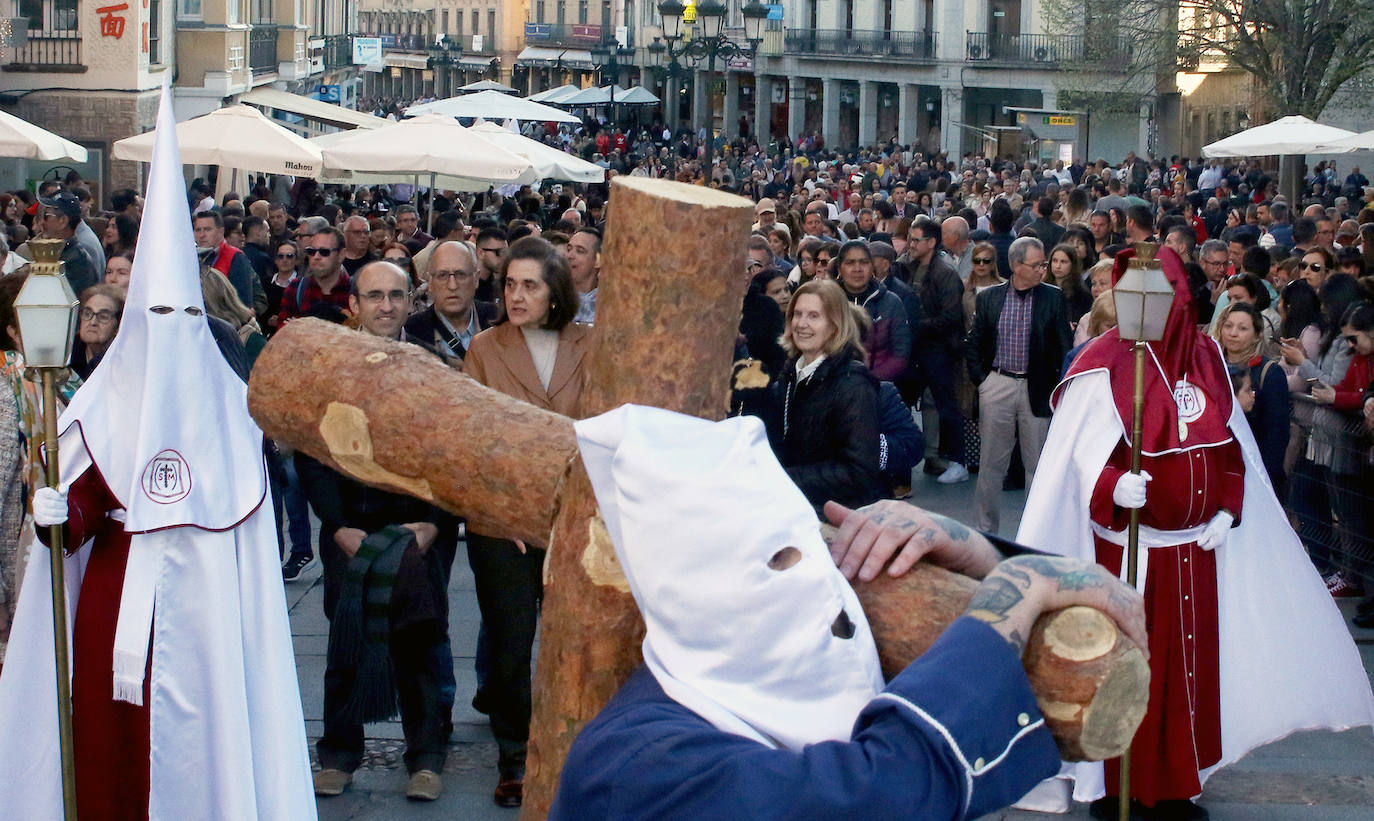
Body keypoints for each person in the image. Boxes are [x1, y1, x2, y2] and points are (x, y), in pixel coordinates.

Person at [551, 405, 1148, 821]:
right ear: (690, 593)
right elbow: (880, 791)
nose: (816, 577)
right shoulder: (630, 765)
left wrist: (979, 557)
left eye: (811, 546)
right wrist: (1015, 590)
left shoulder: (771, 666)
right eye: (778, 561)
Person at [0, 91, 316, 819]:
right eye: (155, 316)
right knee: (105, 757)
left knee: (202, 752)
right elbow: (73, 517)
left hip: (202, 623)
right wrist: (52, 509)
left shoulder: (232, 418)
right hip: (108, 603)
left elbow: (245, 550)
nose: (168, 332)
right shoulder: (93, 402)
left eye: (181, 316)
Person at [1016, 245, 1374, 821]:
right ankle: (1119, 788)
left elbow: (1231, 450)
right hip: (1130, 557)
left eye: (1159, 298)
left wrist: (1229, 509)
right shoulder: (1103, 362)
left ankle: (1177, 785)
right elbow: (1076, 458)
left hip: (1196, 554)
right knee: (1125, 674)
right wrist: (1111, 487)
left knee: (1188, 674)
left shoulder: (1206, 358)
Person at [463, 237, 592, 807]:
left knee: (574, 646)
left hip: (575, 522)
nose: (516, 295)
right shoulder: (486, 349)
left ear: (555, 290)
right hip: (503, 527)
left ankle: (574, 752)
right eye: (510, 284)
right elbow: (474, 442)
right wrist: (500, 511)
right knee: (512, 648)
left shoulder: (591, 344)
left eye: (530, 285)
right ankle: (514, 756)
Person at [965, 237, 1073, 533]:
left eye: (1044, 263)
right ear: (1015, 265)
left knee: (1037, 467)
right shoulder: (989, 298)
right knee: (990, 466)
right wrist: (983, 383)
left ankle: (1034, 533)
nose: (1043, 269)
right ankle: (985, 533)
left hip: (1037, 388)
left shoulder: (1053, 298)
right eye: (1037, 264)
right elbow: (973, 344)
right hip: (997, 383)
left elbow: (1065, 347)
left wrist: (1058, 389)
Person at [773, 278, 886, 512]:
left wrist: (784, 479)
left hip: (840, 516)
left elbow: (859, 471)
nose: (801, 324)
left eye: (814, 316)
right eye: (797, 314)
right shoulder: (789, 375)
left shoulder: (853, 383)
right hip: (795, 509)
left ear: (835, 326)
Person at [1214, 303, 1291, 492]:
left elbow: (1277, 435)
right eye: (1228, 326)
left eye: (1242, 328)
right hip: (1217, 468)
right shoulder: (1212, 366)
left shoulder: (1270, 373)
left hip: (1255, 472)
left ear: (1256, 334)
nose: (1233, 333)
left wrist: (1266, 482)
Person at [404, 241, 497, 368]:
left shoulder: (499, 322)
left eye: (461, 275)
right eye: (442, 275)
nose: (452, 285)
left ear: (476, 279)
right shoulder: (410, 333)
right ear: (430, 282)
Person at [835, 240, 910, 382]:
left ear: (872, 267)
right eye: (850, 263)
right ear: (839, 269)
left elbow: (901, 353)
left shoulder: (891, 302)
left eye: (864, 262)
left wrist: (869, 380)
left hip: (879, 385)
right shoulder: (826, 302)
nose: (857, 269)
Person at [192, 209, 258, 310]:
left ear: (221, 231)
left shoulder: (235, 257)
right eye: (198, 230)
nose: (202, 235)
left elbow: (242, 302)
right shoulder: (191, 257)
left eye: (207, 229)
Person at [35, 191, 98, 294]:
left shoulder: (76, 261)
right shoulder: (63, 252)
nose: (41, 222)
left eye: (46, 216)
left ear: (63, 221)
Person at [71, 284, 124, 380]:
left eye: (103, 316)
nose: (93, 322)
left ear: (118, 326)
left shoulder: (123, 361)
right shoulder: (67, 353)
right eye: (87, 313)